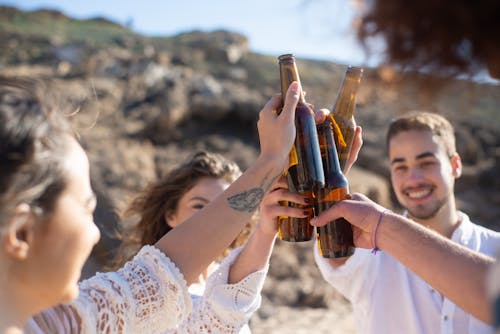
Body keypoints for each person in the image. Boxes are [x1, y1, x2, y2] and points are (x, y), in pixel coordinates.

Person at [0, 75, 301, 333]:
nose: (94, 233)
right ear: (22, 232)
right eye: (85, 207)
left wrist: (270, 175)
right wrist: (269, 162)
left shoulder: (62, 322)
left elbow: (157, 280)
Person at [311, 112, 500, 333]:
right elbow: (338, 257)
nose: (414, 179)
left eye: (426, 162)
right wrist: (325, 167)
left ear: (455, 165)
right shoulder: (365, 249)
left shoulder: (495, 248)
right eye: (401, 167)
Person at [111, 151, 306, 333]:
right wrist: (264, 233)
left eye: (226, 209)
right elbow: (213, 321)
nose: (212, 218)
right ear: (170, 215)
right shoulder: (151, 288)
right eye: (199, 206)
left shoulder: (223, 276)